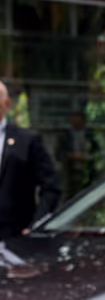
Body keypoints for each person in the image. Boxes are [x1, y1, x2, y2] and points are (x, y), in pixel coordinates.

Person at [0, 80, 61, 240]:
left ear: (6, 104)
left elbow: (51, 187)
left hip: (14, 236)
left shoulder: (26, 140)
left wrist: (36, 225)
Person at [57, 110, 100, 197]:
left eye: (77, 119)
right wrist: (71, 155)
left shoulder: (90, 134)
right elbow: (58, 154)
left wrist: (87, 156)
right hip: (70, 171)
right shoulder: (65, 135)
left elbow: (97, 151)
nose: (75, 121)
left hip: (87, 170)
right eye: (73, 119)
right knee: (70, 194)